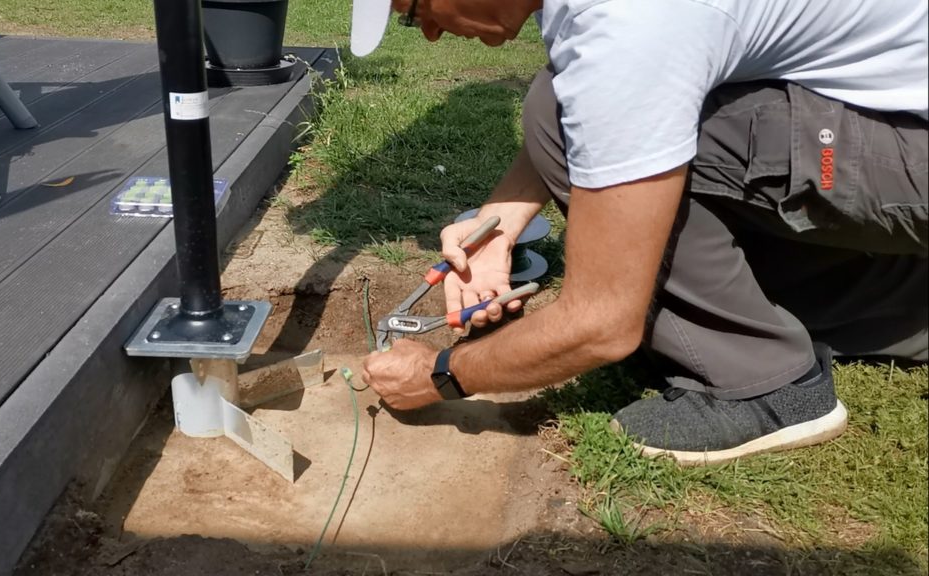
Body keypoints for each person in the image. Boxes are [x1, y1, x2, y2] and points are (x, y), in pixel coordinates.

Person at [352, 0, 928, 465]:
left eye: (414, 8)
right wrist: (499, 224)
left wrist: (442, 376)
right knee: (566, 104)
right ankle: (898, 302)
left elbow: (603, 324)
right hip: (893, 128)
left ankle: (767, 388)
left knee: (563, 111)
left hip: (907, 151)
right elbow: (589, 106)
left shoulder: (625, 24)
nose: (427, 32)